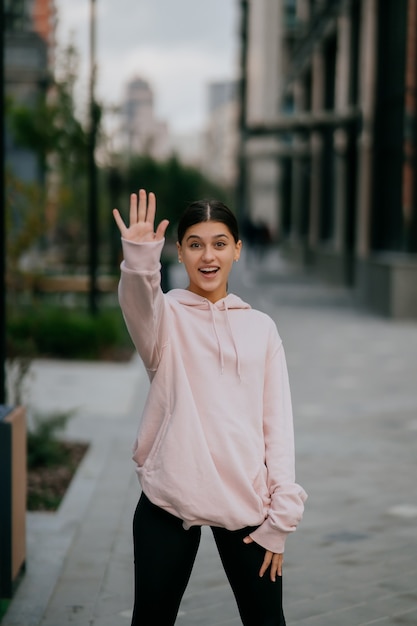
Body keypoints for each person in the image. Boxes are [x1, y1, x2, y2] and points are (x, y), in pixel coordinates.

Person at [113, 189, 307, 626]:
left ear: (237, 249)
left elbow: (278, 428)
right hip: (168, 499)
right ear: (179, 252)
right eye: (195, 244)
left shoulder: (261, 328)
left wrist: (280, 520)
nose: (208, 255)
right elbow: (139, 302)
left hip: (247, 505)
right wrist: (141, 259)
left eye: (220, 243)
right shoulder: (165, 319)